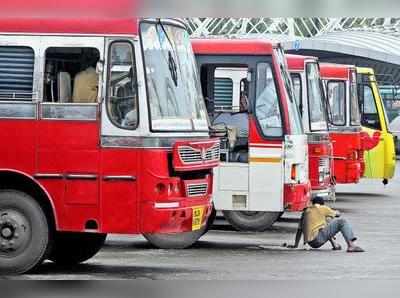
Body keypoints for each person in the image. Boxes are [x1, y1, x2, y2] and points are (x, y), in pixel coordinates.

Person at [287, 197, 364, 253]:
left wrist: (295, 245)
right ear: (321, 204)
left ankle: (335, 245)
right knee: (342, 222)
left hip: (311, 243)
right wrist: (335, 212)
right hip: (318, 239)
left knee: (323, 223)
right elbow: (338, 214)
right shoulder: (322, 208)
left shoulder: (306, 212)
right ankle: (351, 245)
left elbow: (299, 230)